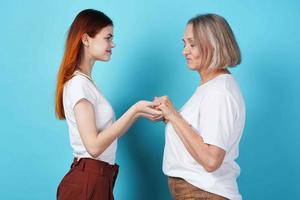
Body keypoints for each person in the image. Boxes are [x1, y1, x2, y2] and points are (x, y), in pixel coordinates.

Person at [54, 9, 162, 200]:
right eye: (108, 37)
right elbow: (94, 147)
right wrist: (135, 110)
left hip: (99, 178)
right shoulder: (79, 85)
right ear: (86, 39)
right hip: (88, 180)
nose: (113, 44)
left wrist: (139, 113)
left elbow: (106, 135)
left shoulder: (86, 83)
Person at [155, 14, 245, 200]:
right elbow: (198, 137)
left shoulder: (219, 92)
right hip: (198, 192)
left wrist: (174, 115)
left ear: (213, 45)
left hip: (203, 192)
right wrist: (170, 117)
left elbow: (211, 160)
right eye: (184, 44)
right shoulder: (210, 88)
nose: (184, 51)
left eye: (192, 44)